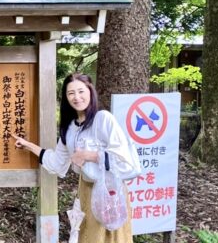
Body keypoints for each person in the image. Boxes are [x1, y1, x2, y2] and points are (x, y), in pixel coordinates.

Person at [14, 73, 135, 243]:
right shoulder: (69, 129)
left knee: (113, 239)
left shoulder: (104, 119)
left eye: (81, 91)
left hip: (111, 192)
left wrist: (89, 155)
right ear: (65, 97)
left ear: (90, 91)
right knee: (87, 237)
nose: (77, 97)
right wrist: (28, 145)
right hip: (86, 191)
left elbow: (125, 161)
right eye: (71, 93)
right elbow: (56, 163)